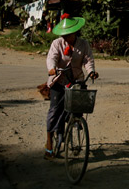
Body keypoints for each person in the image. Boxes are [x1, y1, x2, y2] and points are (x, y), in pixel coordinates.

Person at [44, 13, 98, 160]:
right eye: (64, 34)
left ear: (75, 32)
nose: (66, 37)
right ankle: (49, 144)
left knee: (79, 107)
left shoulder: (83, 44)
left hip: (77, 81)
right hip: (59, 80)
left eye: (69, 34)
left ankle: (75, 121)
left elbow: (88, 60)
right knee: (55, 111)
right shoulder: (57, 44)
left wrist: (91, 71)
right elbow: (52, 57)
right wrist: (52, 68)